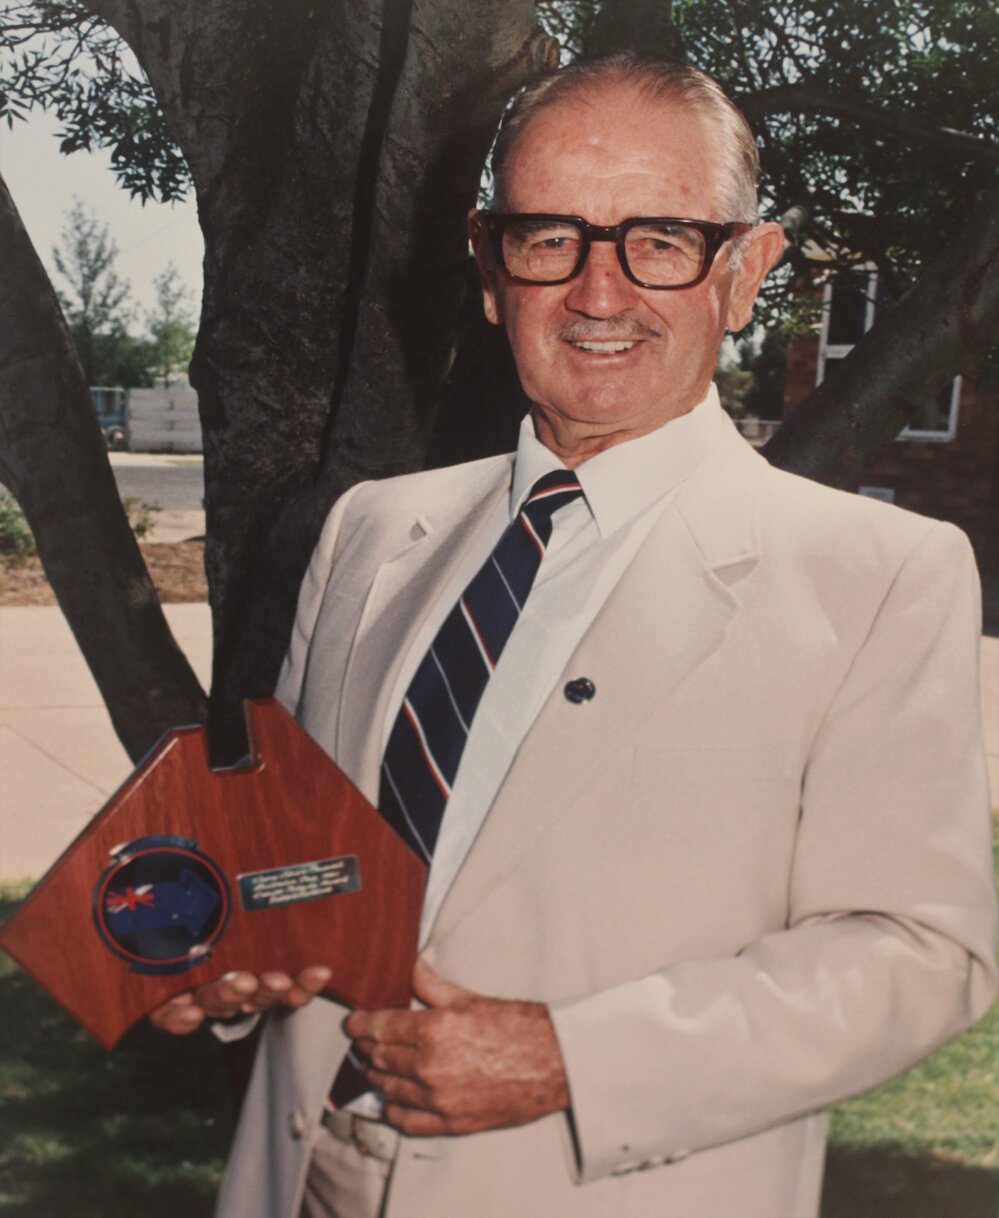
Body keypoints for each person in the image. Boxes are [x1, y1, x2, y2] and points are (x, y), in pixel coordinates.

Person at [153, 55, 997, 1218]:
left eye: (661, 239)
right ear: (491, 266)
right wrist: (219, 945)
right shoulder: (368, 532)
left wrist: (571, 1060)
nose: (600, 294)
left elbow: (918, 955)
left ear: (746, 271)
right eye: (550, 237)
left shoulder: (878, 579)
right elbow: (304, 849)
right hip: (298, 1173)